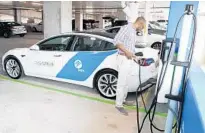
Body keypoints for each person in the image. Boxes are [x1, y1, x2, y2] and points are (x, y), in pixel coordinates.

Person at [113, 17, 146, 116]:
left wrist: (135, 57)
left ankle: (123, 100)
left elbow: (130, 47)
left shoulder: (133, 31)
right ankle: (118, 105)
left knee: (127, 82)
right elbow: (116, 41)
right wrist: (127, 52)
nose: (141, 29)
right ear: (140, 23)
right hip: (123, 58)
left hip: (129, 59)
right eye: (142, 27)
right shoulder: (126, 28)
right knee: (122, 82)